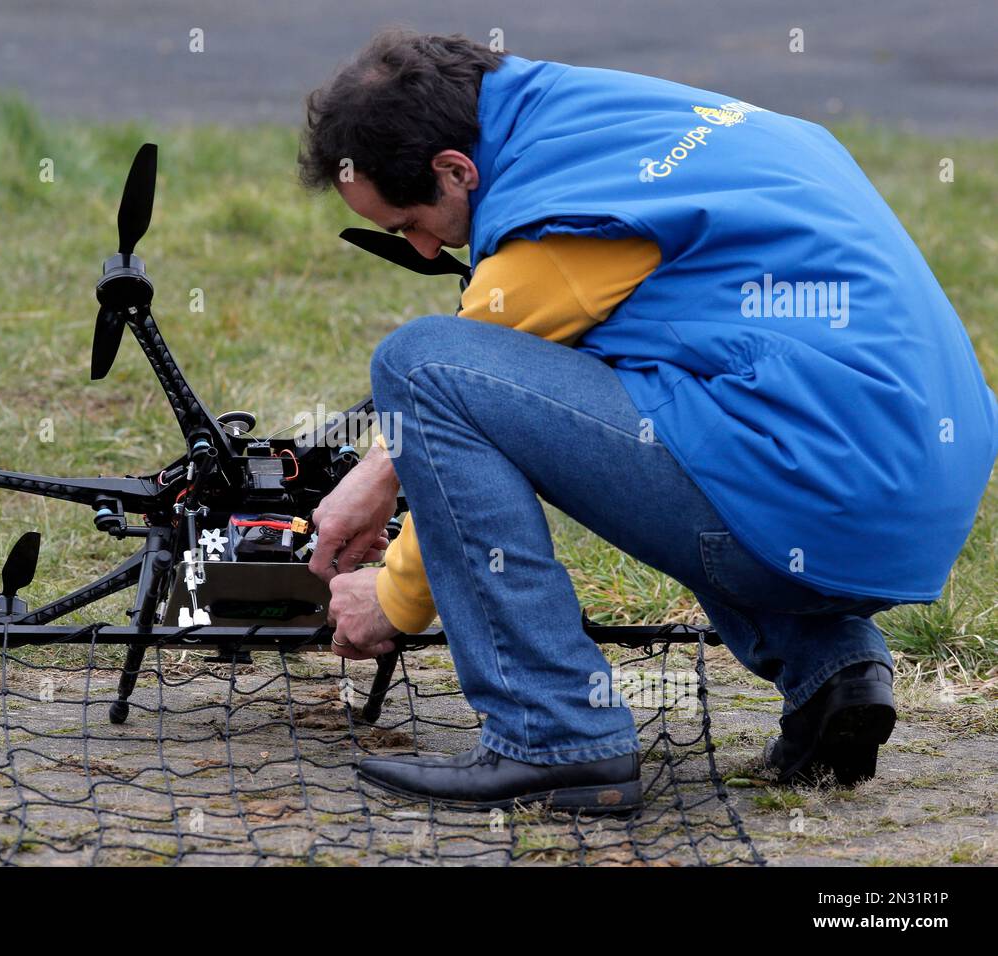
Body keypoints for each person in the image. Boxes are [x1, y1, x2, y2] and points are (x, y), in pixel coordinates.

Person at [297, 30, 998, 812]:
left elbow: (446, 388)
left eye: (410, 226)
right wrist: (377, 475)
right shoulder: (625, 123)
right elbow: (512, 388)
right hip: (910, 488)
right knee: (678, 399)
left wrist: (391, 600)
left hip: (824, 491)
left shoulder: (560, 226)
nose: (426, 249)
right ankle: (830, 665)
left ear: (455, 170)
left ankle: (552, 734)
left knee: (415, 359)